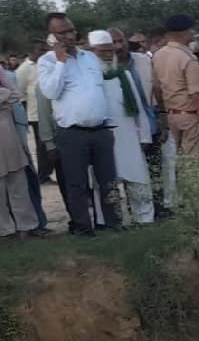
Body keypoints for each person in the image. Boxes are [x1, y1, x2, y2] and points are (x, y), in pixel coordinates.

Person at [38, 13, 122, 236]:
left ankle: (114, 225)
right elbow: (51, 91)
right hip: (72, 133)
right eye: (61, 32)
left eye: (70, 30)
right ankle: (84, 228)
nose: (68, 35)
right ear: (52, 37)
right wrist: (60, 62)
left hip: (101, 130)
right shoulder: (46, 62)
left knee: (108, 181)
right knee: (77, 184)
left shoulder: (89, 57)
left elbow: (102, 88)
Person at [89, 30, 155, 224]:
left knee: (137, 178)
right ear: (93, 52)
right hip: (102, 136)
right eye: (102, 51)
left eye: (110, 50)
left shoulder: (123, 75)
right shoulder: (89, 79)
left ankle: (144, 218)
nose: (108, 54)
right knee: (104, 183)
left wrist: (144, 136)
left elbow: (139, 110)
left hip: (128, 136)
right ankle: (107, 222)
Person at [152, 14, 199, 155]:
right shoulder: (188, 58)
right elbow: (197, 95)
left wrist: (164, 114)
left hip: (171, 115)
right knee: (193, 167)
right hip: (190, 116)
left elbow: (157, 89)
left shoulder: (158, 55)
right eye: (191, 30)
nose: (193, 33)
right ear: (183, 32)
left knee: (173, 164)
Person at [0, 68, 39, 238]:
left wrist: (4, 96)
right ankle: (5, 230)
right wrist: (4, 98)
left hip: (8, 135)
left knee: (18, 183)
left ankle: (27, 226)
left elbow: (15, 94)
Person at [15, 41, 51, 185]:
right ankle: (43, 176)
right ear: (32, 52)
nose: (44, 52)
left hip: (52, 112)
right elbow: (19, 92)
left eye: (45, 49)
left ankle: (48, 173)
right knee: (42, 147)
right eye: (40, 50)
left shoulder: (48, 63)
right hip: (36, 114)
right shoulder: (24, 69)